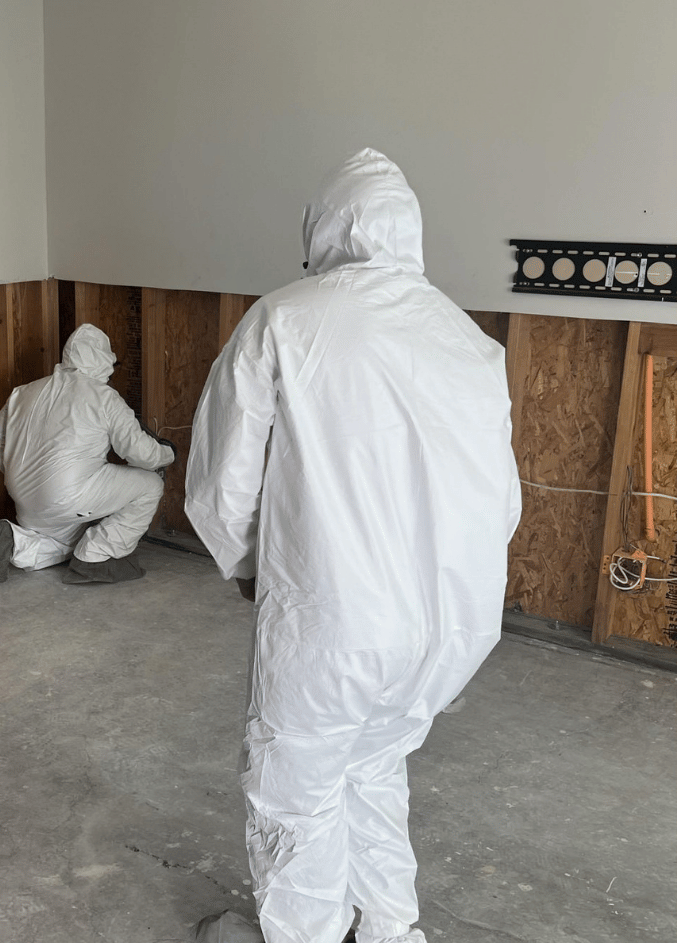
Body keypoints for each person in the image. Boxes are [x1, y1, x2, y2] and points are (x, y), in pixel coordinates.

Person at [184, 149, 521, 943]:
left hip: (332, 621)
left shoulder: (286, 319)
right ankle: (392, 931)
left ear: (327, 229)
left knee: (295, 789)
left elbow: (221, 483)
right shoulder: (470, 341)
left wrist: (245, 566)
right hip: (451, 631)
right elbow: (500, 501)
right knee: (374, 767)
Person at [0, 323, 175, 585]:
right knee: (151, 485)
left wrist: (27, 476)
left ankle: (12, 540)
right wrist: (167, 454)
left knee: (64, 544)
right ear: (105, 361)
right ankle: (96, 557)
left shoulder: (23, 392)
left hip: (23, 497)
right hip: (67, 496)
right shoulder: (104, 397)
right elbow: (140, 453)